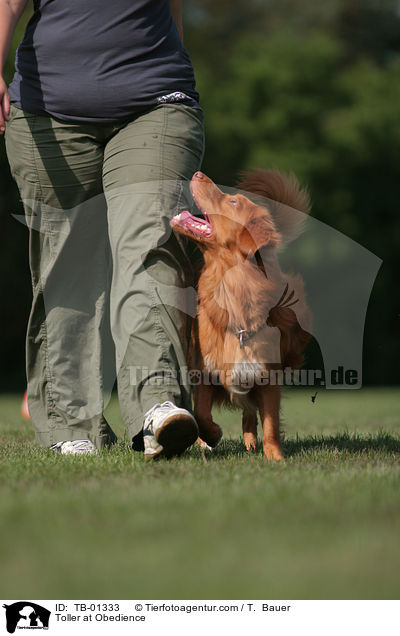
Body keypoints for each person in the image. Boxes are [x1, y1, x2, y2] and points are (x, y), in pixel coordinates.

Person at [0, 0, 205, 459]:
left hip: (156, 104)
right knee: (66, 264)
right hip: (47, 114)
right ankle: (71, 423)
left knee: (148, 243)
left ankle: (157, 403)